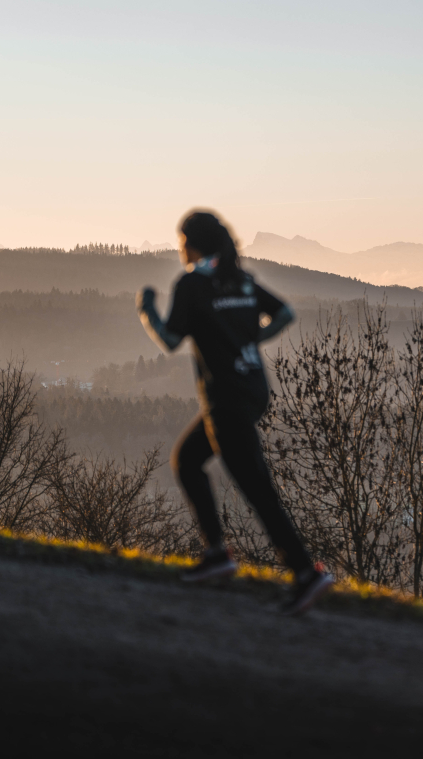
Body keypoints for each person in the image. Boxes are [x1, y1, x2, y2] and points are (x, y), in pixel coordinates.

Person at [137, 209, 332, 614]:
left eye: (180, 242)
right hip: (253, 390)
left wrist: (147, 309)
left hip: (225, 398)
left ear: (190, 244)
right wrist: (248, 339)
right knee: (188, 460)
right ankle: (217, 554)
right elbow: (284, 313)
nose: (179, 250)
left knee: (256, 487)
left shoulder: (193, 284)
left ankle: (304, 572)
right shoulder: (239, 279)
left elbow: (171, 339)